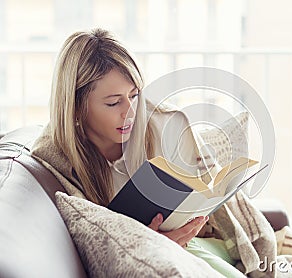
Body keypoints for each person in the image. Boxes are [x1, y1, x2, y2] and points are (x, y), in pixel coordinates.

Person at [31, 28, 247, 277]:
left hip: (197, 243)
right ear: (76, 106)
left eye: (134, 95)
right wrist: (150, 243)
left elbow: (204, 197)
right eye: (113, 103)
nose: (130, 112)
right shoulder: (56, 161)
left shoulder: (166, 123)